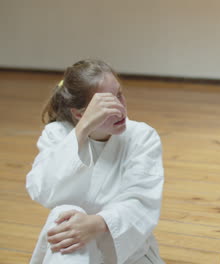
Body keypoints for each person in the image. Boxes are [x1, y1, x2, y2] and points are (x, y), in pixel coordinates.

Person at [26, 59, 165, 264]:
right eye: (105, 104)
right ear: (79, 113)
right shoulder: (57, 134)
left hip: (126, 253)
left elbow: (142, 202)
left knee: (67, 224)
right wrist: (82, 130)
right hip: (71, 247)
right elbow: (44, 192)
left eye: (119, 95)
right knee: (63, 215)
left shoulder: (142, 136)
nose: (120, 109)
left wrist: (96, 223)